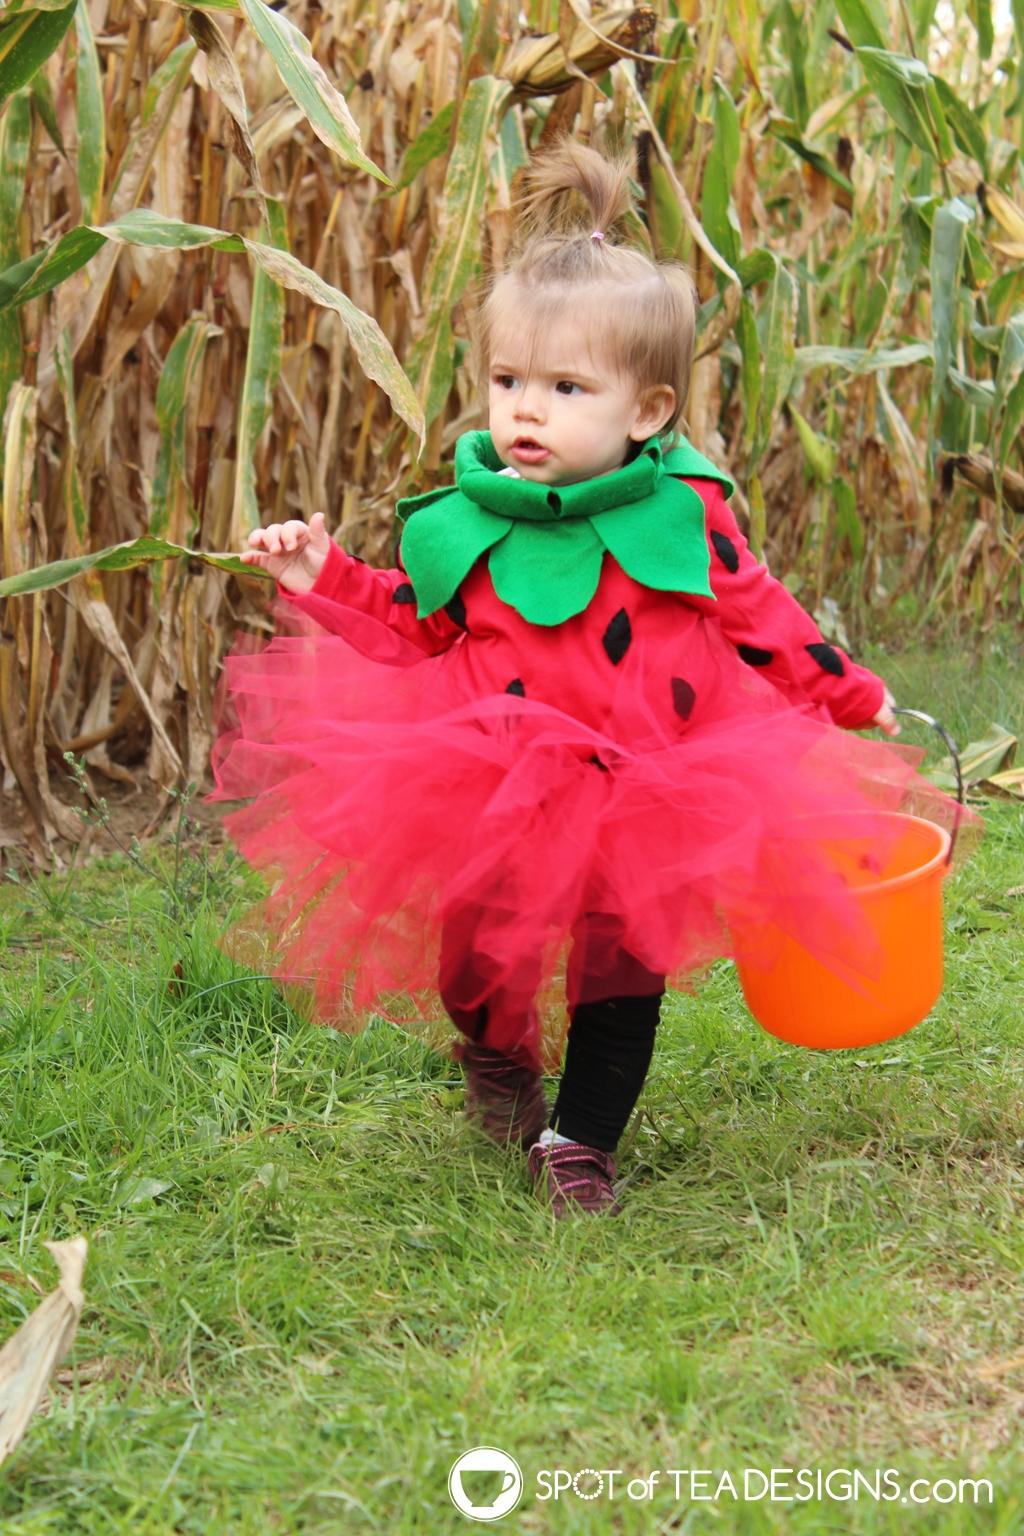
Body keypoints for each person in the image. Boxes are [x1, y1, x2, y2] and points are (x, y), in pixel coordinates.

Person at [209, 139, 954, 1218]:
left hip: (651, 783)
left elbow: (763, 620)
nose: (525, 409)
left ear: (645, 413)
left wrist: (855, 695)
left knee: (620, 971)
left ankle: (581, 1140)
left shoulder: (682, 515)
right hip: (491, 782)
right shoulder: (461, 524)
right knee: (479, 952)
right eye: (508, 381)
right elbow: (411, 629)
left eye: (565, 388)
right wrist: (319, 571)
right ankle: (495, 1054)